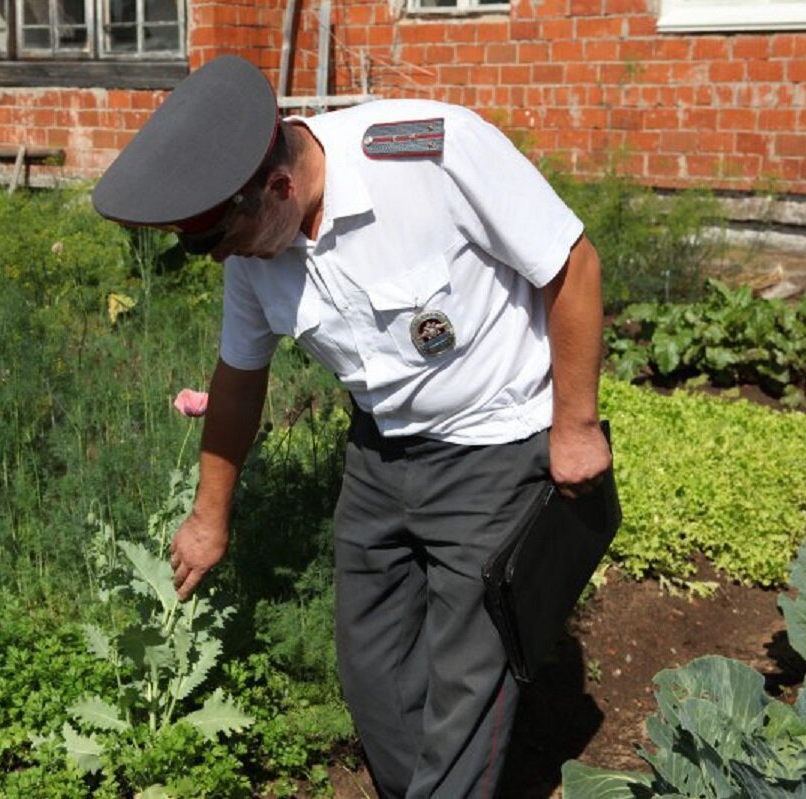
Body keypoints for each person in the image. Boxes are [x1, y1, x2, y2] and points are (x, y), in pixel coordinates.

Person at [92, 54, 612, 799]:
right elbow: (239, 383)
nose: (232, 262)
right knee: (372, 667)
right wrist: (209, 516)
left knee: (472, 676)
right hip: (381, 450)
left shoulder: (432, 152)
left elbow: (573, 267)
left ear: (279, 186)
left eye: (233, 242)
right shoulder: (253, 248)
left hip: (495, 441)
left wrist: (575, 425)